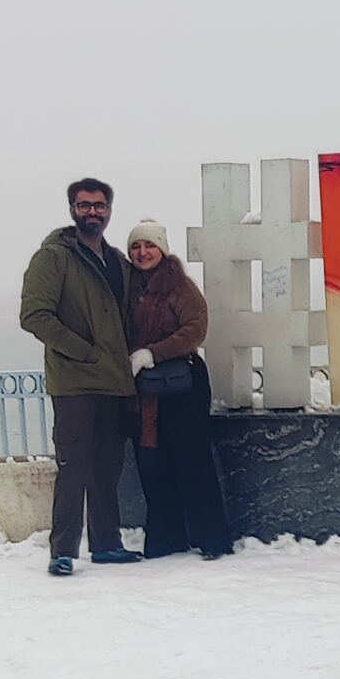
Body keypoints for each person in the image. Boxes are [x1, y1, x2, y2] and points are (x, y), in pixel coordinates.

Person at [19, 177, 140, 577]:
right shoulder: (53, 257)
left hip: (114, 383)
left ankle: (106, 544)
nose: (92, 212)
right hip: (74, 383)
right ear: (72, 209)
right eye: (84, 205)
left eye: (99, 205)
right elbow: (34, 315)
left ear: (109, 210)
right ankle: (63, 551)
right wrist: (84, 351)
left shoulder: (117, 261)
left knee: (107, 469)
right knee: (73, 467)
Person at [124, 220, 233, 559]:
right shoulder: (128, 288)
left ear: (162, 249)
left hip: (182, 386)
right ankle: (166, 539)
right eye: (136, 246)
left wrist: (152, 353)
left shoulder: (180, 286)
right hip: (146, 390)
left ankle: (212, 539)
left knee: (192, 462)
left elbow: (195, 329)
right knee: (153, 463)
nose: (143, 252)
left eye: (150, 245)